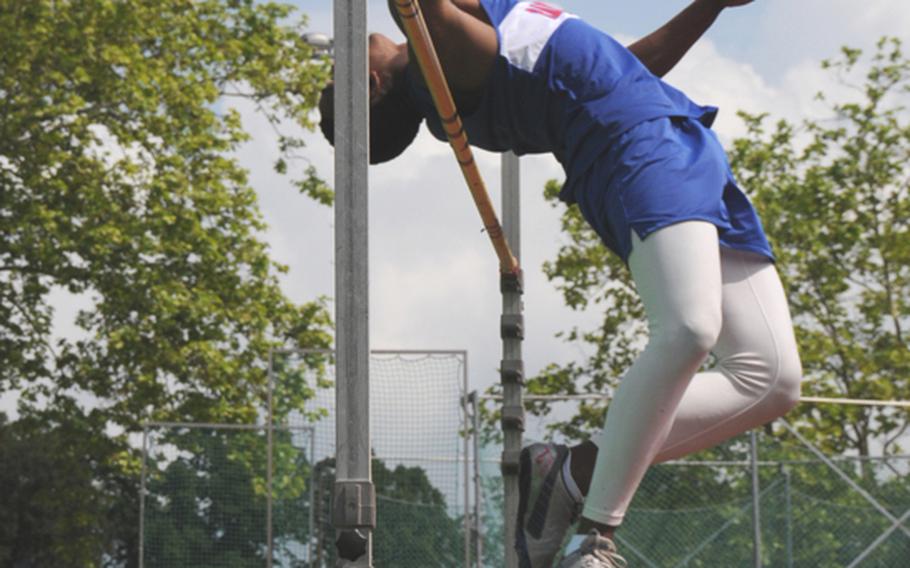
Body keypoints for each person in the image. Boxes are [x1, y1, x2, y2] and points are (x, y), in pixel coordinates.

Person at [319, 1, 803, 566]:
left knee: (772, 379)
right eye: (335, 74)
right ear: (372, 83)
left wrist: (711, 4)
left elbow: (633, 66)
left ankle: (570, 473)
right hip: (634, 149)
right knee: (689, 329)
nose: (336, 57)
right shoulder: (441, 68)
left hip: (680, 134)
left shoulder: (470, 34)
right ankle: (595, 539)